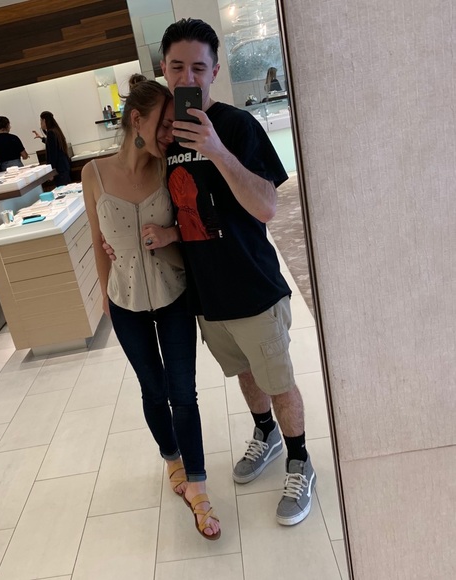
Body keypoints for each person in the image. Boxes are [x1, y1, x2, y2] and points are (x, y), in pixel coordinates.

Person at [159, 18, 315, 526]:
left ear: (214, 71)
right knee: (245, 373)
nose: (187, 78)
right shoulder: (164, 137)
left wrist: (217, 150)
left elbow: (268, 207)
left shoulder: (237, 127)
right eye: (177, 67)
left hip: (253, 286)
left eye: (197, 68)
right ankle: (265, 432)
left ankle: (300, 459)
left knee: (278, 379)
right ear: (164, 70)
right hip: (208, 295)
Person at [82, 74, 221, 540]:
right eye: (163, 124)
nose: (168, 134)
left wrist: (169, 234)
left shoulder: (169, 167)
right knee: (153, 389)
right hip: (124, 302)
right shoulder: (93, 174)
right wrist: (104, 295)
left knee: (184, 392)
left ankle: (198, 484)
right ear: (136, 120)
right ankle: (171, 458)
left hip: (173, 293)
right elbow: (98, 241)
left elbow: (198, 222)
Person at [32, 111, 72, 186]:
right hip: (63, 165)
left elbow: (53, 154)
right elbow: (52, 144)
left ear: (44, 120)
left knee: (62, 188)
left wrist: (51, 171)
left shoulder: (51, 133)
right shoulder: (55, 130)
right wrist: (41, 138)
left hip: (58, 168)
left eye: (41, 121)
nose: (40, 123)